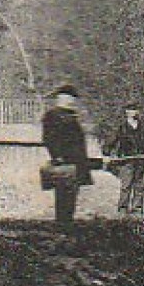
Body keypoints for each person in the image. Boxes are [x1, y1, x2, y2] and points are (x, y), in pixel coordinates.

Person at [41, 84, 91, 229]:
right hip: (64, 161)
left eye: (72, 98)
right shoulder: (52, 115)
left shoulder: (72, 116)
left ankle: (67, 221)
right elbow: (48, 138)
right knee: (63, 193)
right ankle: (62, 223)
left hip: (76, 161)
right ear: (60, 98)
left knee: (72, 193)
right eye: (68, 97)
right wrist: (57, 156)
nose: (71, 101)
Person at [108, 103, 144, 216]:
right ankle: (122, 209)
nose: (133, 112)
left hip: (142, 160)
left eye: (135, 110)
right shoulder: (122, 127)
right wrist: (107, 154)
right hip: (127, 160)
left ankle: (136, 209)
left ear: (138, 112)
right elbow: (112, 141)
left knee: (140, 186)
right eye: (130, 110)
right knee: (126, 185)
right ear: (126, 112)